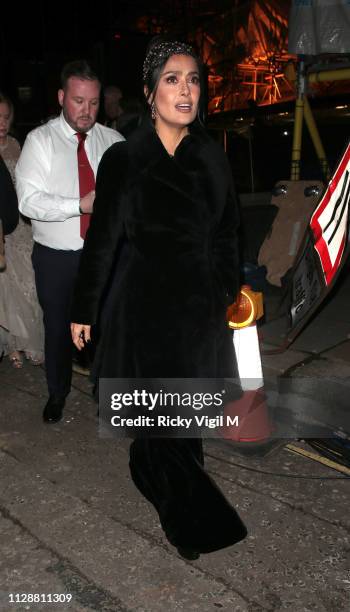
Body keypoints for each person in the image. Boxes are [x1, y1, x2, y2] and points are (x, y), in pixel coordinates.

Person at [71, 39, 247, 559]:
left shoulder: (212, 158)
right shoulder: (124, 160)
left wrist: (222, 289)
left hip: (198, 312)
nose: (185, 89)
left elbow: (228, 235)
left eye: (193, 79)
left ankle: (149, 468)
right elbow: (102, 242)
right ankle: (193, 521)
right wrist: (84, 309)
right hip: (143, 311)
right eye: (172, 79)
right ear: (150, 94)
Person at [16, 60, 124, 422]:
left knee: (106, 326)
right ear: (62, 97)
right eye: (79, 101)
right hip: (56, 257)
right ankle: (57, 393)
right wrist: (79, 205)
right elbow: (27, 201)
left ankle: (105, 393)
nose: (87, 111)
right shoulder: (40, 140)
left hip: (104, 254)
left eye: (93, 103)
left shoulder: (114, 142)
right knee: (58, 328)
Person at [0, 92, 44, 368]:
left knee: (30, 283)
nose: (2, 122)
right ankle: (14, 344)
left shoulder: (16, 144)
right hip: (1, 227)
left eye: (6, 117)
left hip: (22, 225)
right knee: (7, 286)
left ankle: (30, 342)